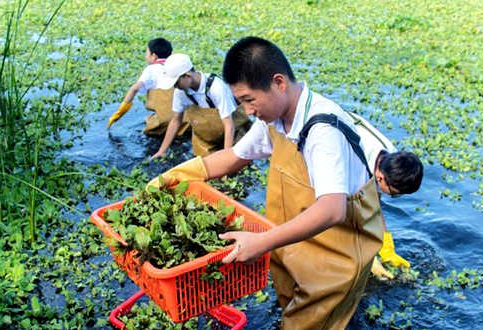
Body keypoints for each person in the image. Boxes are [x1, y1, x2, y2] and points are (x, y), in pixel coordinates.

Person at [147, 37, 384, 329]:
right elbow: (236, 156)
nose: (246, 111)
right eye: (241, 101)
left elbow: (333, 210)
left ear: (278, 83)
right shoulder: (274, 119)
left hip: (336, 253)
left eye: (249, 99)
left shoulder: (322, 130)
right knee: (289, 305)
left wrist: (261, 242)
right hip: (295, 240)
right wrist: (177, 176)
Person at [348, 112, 423, 279]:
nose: (394, 197)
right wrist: (369, 257)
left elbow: (376, 202)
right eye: (394, 194)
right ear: (380, 177)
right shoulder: (356, 171)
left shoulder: (391, 159)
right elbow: (343, 214)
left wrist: (386, 247)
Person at [150, 53, 251, 159]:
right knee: (204, 167)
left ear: (187, 75)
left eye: (176, 83)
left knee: (237, 161)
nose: (175, 87)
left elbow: (229, 126)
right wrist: (162, 151)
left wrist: (225, 158)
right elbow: (176, 121)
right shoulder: (180, 92)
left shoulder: (215, 87)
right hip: (206, 137)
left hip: (233, 133)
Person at [107, 38, 188, 135]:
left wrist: (120, 111)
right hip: (185, 120)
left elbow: (135, 88)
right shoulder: (177, 67)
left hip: (164, 120)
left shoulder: (151, 69)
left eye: (147, 53)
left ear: (154, 56)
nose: (146, 56)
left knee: (150, 129)